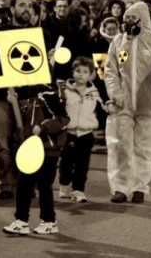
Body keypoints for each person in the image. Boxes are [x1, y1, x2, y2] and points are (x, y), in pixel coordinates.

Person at [0, 0, 54, 199]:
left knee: (27, 141)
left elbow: (47, 69)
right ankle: (7, 184)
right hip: (2, 96)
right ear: (12, 10)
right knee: (4, 144)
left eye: (29, 6)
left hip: (29, 97)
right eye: (21, 5)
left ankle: (26, 182)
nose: (26, 9)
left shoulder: (41, 35)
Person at [104, 2, 151, 203]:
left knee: (144, 147)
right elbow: (111, 71)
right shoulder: (118, 42)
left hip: (149, 102)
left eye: (133, 18)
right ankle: (120, 188)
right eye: (126, 18)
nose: (128, 22)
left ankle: (140, 187)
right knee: (120, 144)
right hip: (123, 103)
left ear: (143, 20)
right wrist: (116, 94)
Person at [2, 88, 70, 236]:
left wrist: (44, 128)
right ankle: (23, 221)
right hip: (33, 148)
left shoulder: (48, 95)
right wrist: (14, 103)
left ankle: (48, 221)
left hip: (48, 149)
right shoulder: (29, 97)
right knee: (24, 184)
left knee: (43, 186)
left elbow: (63, 119)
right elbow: (24, 124)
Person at [58, 57, 104, 202]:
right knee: (66, 163)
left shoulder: (94, 92)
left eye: (85, 72)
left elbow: (102, 108)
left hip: (86, 134)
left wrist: (109, 107)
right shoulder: (65, 90)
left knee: (82, 164)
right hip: (69, 134)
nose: (81, 74)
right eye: (78, 71)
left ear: (91, 74)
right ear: (73, 72)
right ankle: (64, 186)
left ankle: (78, 190)